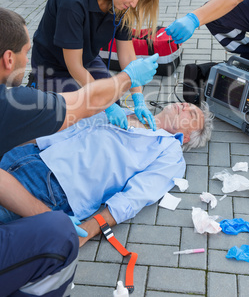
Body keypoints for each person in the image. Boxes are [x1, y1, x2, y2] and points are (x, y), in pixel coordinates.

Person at [0, 101, 213, 248]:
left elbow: (133, 198)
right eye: (186, 104)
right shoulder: (126, 111)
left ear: (186, 137)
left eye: (191, 113)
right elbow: (70, 130)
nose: (184, 106)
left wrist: (86, 232)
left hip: (49, 186)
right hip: (26, 154)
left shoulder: (169, 152)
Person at [0, 7, 159, 158]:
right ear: (9, 59)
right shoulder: (14, 104)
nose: (27, 60)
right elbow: (89, 100)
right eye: (26, 52)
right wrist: (128, 78)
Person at [30, 0, 160, 130]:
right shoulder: (73, 0)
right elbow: (74, 66)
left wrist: (138, 98)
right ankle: (37, 86)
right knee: (71, 119)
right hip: (53, 67)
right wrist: (104, 105)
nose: (134, 4)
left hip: (87, 59)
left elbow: (128, 55)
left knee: (112, 100)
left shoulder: (121, 4)